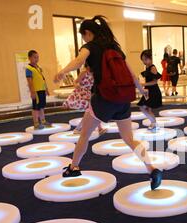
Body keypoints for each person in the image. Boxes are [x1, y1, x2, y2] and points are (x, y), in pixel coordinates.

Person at [54, 15, 162, 190]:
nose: (84, 39)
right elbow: (132, 74)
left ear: (87, 33)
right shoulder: (115, 48)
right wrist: (142, 91)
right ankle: (152, 168)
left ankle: (73, 167)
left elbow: (79, 60)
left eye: (83, 36)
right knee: (129, 139)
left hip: (103, 98)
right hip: (122, 99)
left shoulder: (90, 47)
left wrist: (62, 71)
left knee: (84, 134)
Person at [62, 64, 106, 135]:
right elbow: (76, 82)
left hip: (89, 94)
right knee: (92, 111)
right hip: (82, 93)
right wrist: (77, 86)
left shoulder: (94, 73)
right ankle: (96, 128)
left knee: (92, 111)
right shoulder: (84, 73)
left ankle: (82, 128)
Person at [137, 49, 162, 132]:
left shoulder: (152, 68)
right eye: (143, 60)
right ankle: (153, 123)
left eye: (145, 59)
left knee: (142, 107)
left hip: (153, 91)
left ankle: (154, 123)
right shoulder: (148, 67)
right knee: (147, 108)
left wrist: (143, 84)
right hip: (149, 91)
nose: (144, 61)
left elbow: (155, 82)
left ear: (150, 58)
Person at [26, 50, 51, 130]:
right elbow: (30, 82)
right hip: (36, 91)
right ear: (29, 58)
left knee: (41, 107)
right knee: (36, 107)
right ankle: (36, 123)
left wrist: (46, 89)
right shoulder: (29, 68)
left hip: (42, 90)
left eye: (37, 57)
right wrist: (32, 92)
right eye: (35, 57)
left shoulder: (38, 67)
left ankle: (43, 121)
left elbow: (43, 79)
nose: (37, 59)